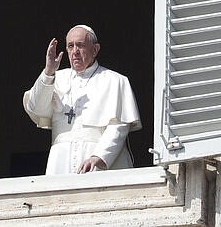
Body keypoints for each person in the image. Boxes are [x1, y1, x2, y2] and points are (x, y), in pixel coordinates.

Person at [22, 24, 142, 174]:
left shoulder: (115, 80)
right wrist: (48, 72)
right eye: (70, 46)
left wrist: (98, 157)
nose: (75, 52)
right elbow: (36, 108)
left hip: (99, 161)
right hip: (60, 162)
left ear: (95, 49)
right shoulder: (55, 78)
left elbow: (118, 126)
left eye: (80, 45)